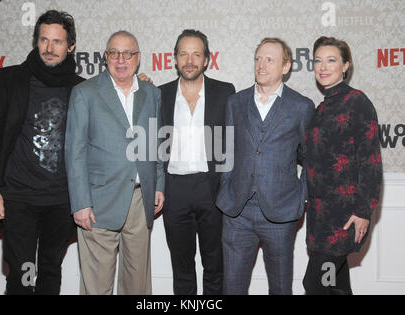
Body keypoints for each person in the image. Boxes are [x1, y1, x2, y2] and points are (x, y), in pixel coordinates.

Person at [0, 10, 84, 294]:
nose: (49, 48)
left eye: (58, 42)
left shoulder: (82, 90)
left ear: (70, 46)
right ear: (36, 41)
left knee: (50, 271)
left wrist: (140, 86)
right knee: (23, 274)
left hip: (61, 200)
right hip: (18, 198)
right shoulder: (8, 80)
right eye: (44, 40)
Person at [65, 30, 165, 295]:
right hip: (97, 202)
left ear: (138, 57)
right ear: (105, 57)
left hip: (140, 200)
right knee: (97, 285)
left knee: (137, 284)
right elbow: (74, 151)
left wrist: (159, 185)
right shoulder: (84, 93)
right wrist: (81, 203)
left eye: (128, 53)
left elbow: (154, 144)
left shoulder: (151, 93)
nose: (121, 59)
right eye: (114, 53)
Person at [216, 38, 315, 295]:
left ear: (286, 66)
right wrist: (226, 189)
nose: (261, 65)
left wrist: (301, 198)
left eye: (270, 59)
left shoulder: (301, 107)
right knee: (232, 287)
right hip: (237, 212)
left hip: (281, 213)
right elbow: (225, 152)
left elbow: (312, 159)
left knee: (280, 287)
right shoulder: (235, 103)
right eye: (258, 58)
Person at [302, 36, 382, 295]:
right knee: (334, 285)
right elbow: (313, 159)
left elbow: (370, 162)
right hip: (319, 214)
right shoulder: (321, 108)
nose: (323, 67)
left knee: (315, 284)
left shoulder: (357, 102)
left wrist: (363, 212)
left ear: (346, 66)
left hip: (344, 217)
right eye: (318, 61)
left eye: (331, 60)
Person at [159, 29, 235, 295]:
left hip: (211, 189)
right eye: (183, 54)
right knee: (181, 267)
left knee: (215, 264)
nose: (189, 60)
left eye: (196, 54)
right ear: (174, 59)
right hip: (174, 190)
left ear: (206, 60)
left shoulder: (226, 93)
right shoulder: (160, 95)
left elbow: (233, 144)